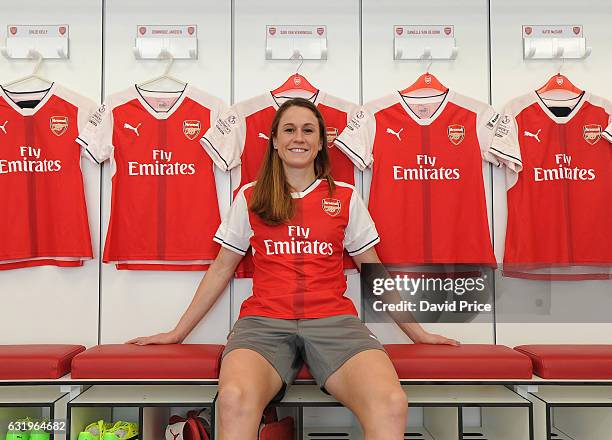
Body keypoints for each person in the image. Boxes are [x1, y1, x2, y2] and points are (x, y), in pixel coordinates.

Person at [128, 98, 459, 440]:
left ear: (320, 142)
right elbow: (221, 268)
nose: (298, 137)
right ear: (274, 140)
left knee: (390, 401)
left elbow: (374, 272)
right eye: (289, 129)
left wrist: (419, 334)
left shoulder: (344, 197)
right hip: (263, 324)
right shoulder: (250, 197)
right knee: (232, 399)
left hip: (333, 321)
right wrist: (177, 333)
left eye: (308, 130)